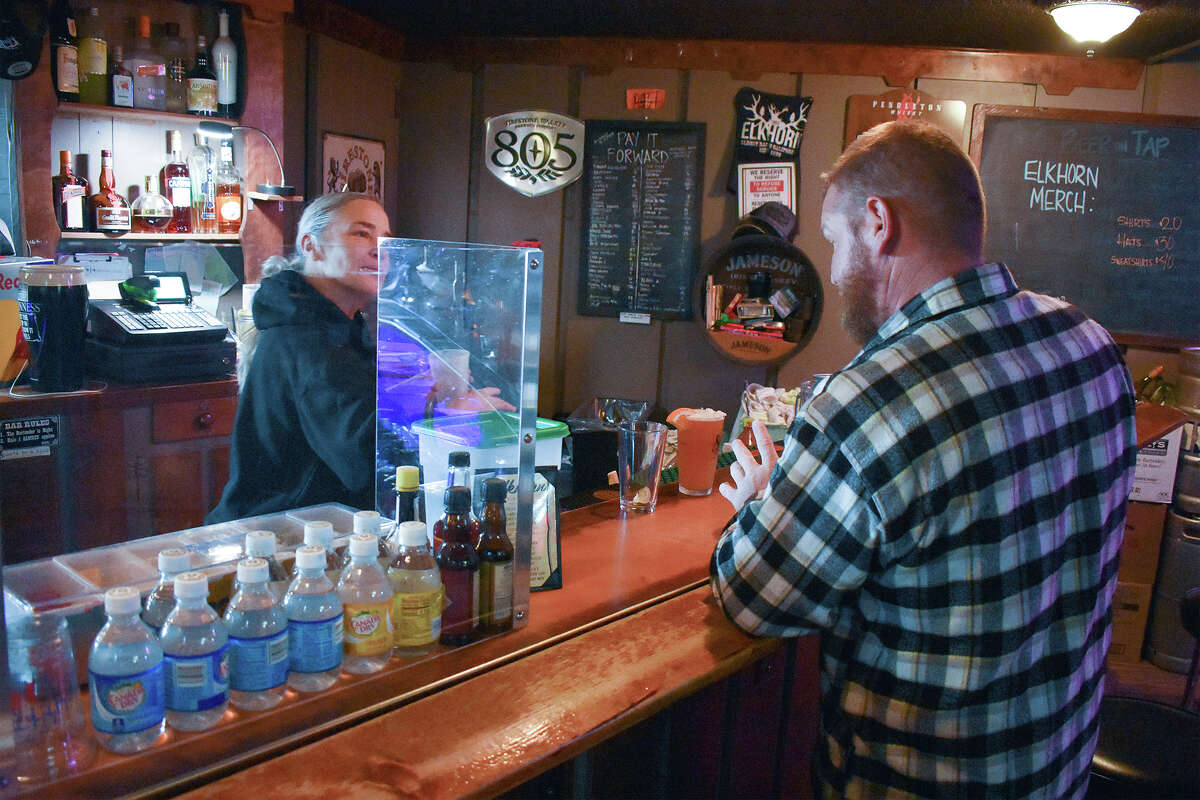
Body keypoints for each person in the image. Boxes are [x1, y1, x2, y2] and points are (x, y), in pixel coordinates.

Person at [711, 120, 1137, 800]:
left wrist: (766, 495)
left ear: (878, 223)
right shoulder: (1089, 343)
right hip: (1057, 771)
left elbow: (753, 599)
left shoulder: (867, 403)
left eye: (833, 239)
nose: (833, 264)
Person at [207, 193, 512, 523]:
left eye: (385, 240)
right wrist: (446, 414)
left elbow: (360, 418)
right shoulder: (307, 337)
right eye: (362, 233)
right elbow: (365, 463)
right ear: (311, 246)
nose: (379, 250)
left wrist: (426, 398)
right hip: (284, 540)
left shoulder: (341, 327)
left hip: (318, 529)